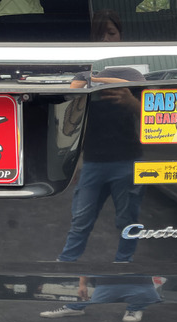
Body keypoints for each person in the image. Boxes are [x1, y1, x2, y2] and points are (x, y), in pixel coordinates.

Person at [56, 10, 145, 263]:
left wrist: (131, 102)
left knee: (127, 220)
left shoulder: (134, 75)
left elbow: (156, 116)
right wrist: (75, 163)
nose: (105, 39)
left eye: (111, 33)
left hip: (128, 160)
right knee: (80, 220)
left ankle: (124, 263)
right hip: (92, 161)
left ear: (121, 35)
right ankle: (66, 264)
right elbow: (70, 126)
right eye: (99, 34)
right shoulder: (83, 76)